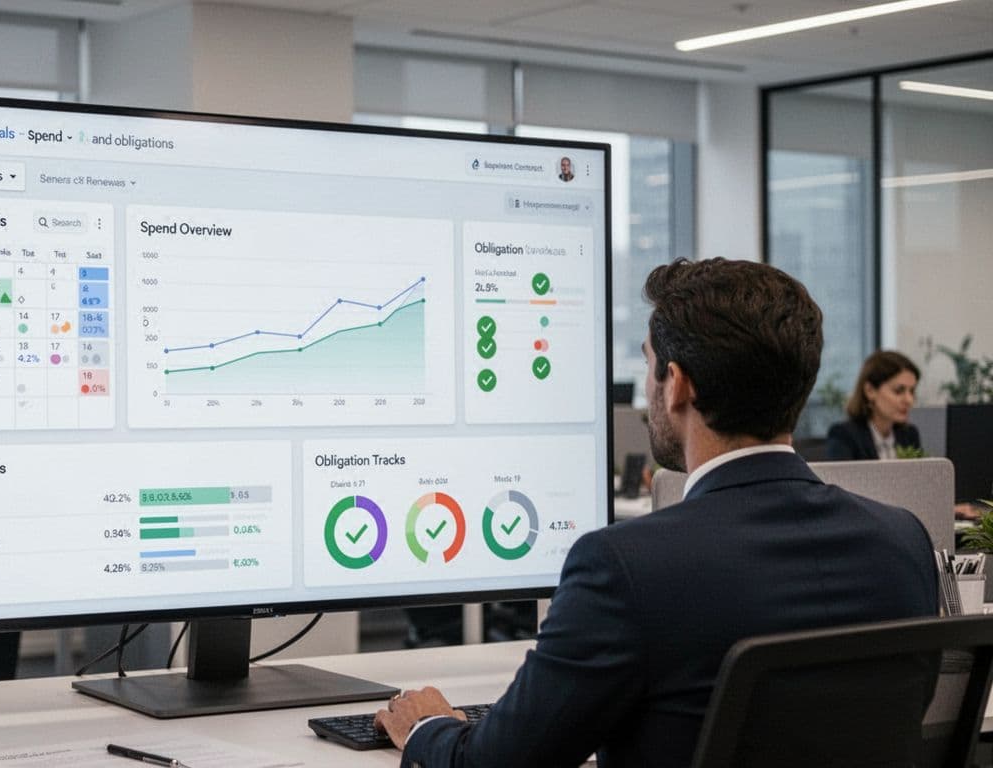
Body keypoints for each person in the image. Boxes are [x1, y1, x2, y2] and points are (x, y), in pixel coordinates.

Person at [374, 258, 939, 768]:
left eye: (650, 366)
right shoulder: (903, 541)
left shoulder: (624, 566)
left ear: (678, 385)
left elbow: (497, 764)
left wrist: (428, 727)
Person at [825, 350, 922, 462]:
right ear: (870, 390)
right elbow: (840, 479)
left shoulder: (909, 434)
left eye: (912, 391)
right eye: (899, 391)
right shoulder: (844, 435)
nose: (909, 400)